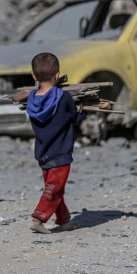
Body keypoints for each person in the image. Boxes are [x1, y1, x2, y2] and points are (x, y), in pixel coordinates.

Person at [26, 52, 85, 234]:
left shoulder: (31, 99)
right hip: (60, 152)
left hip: (43, 152)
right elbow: (75, 119)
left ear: (34, 76)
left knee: (54, 188)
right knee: (55, 189)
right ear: (58, 75)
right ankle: (38, 218)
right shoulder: (63, 97)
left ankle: (64, 220)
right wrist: (83, 112)